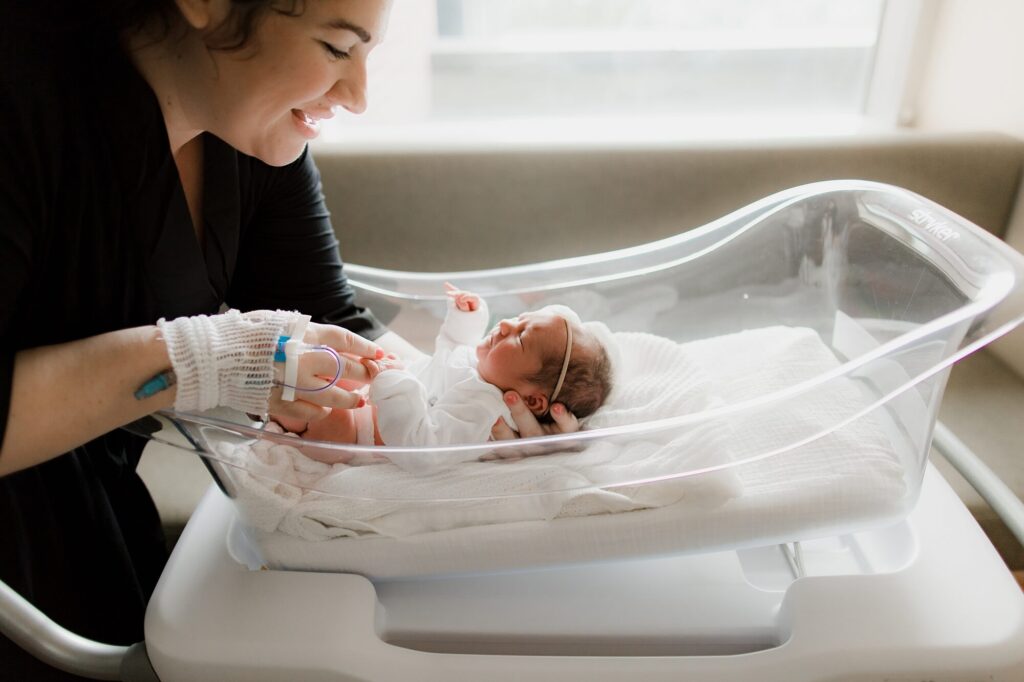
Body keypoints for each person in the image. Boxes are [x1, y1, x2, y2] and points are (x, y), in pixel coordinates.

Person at [0, 1, 578, 677]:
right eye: (336, 49)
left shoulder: (246, 130)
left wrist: (470, 417)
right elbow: (231, 356)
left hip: (97, 536)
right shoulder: (24, 103)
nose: (359, 96)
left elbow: (337, 328)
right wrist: (203, 361)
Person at [272, 284, 615, 471]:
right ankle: (274, 372)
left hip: (365, 435)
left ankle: (275, 405)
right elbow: (452, 349)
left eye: (520, 338)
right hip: (375, 392)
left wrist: (394, 383)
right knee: (330, 364)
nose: (506, 325)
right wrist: (467, 320)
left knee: (322, 418)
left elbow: (423, 451)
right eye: (519, 319)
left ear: (532, 400)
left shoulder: (485, 411)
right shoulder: (485, 371)